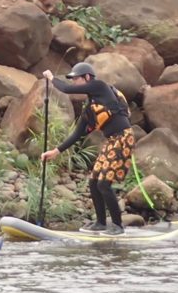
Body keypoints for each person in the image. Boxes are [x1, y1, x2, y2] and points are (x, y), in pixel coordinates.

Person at [40, 62, 134, 235]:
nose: (74, 82)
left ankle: (118, 226)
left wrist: (52, 78)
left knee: (104, 184)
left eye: (77, 79)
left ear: (87, 77)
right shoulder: (89, 108)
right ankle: (100, 223)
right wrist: (55, 151)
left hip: (123, 138)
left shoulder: (100, 87)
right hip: (111, 141)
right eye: (73, 79)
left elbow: (66, 89)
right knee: (93, 181)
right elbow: (77, 134)